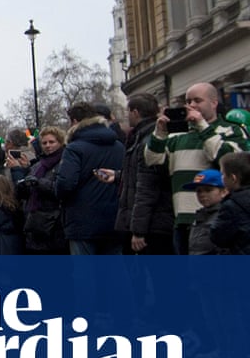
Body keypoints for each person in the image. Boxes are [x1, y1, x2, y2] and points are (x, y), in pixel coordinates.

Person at [144, 82, 249, 253]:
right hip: (182, 218)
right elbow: (152, 160)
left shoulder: (231, 130)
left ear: (213, 103)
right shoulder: (178, 135)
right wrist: (160, 132)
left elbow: (230, 161)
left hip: (216, 216)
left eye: (197, 100)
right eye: (188, 101)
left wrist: (203, 127)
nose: (191, 105)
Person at [55, 103, 124, 255]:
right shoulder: (118, 146)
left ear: (74, 121)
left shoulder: (74, 148)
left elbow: (66, 183)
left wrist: (58, 192)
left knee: (85, 274)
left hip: (82, 220)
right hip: (114, 218)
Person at [110, 93, 174, 254]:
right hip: (154, 221)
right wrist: (118, 176)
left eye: (128, 111)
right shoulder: (142, 137)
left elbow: (147, 186)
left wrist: (138, 231)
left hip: (153, 225)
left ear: (135, 112)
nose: (127, 115)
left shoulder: (147, 141)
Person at [17, 127, 69, 254]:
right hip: (36, 223)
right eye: (44, 143)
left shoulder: (66, 162)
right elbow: (25, 194)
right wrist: (23, 185)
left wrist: (39, 183)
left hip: (55, 224)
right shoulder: (38, 165)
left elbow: (62, 188)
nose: (48, 146)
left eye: (52, 142)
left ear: (60, 142)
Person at [210, 152, 250, 254]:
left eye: (222, 174)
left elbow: (218, 237)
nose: (221, 178)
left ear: (233, 178)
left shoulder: (232, 205)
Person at [183, 169, 226, 255]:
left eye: (208, 190)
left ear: (224, 192)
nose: (202, 194)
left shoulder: (225, 215)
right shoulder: (199, 217)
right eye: (199, 191)